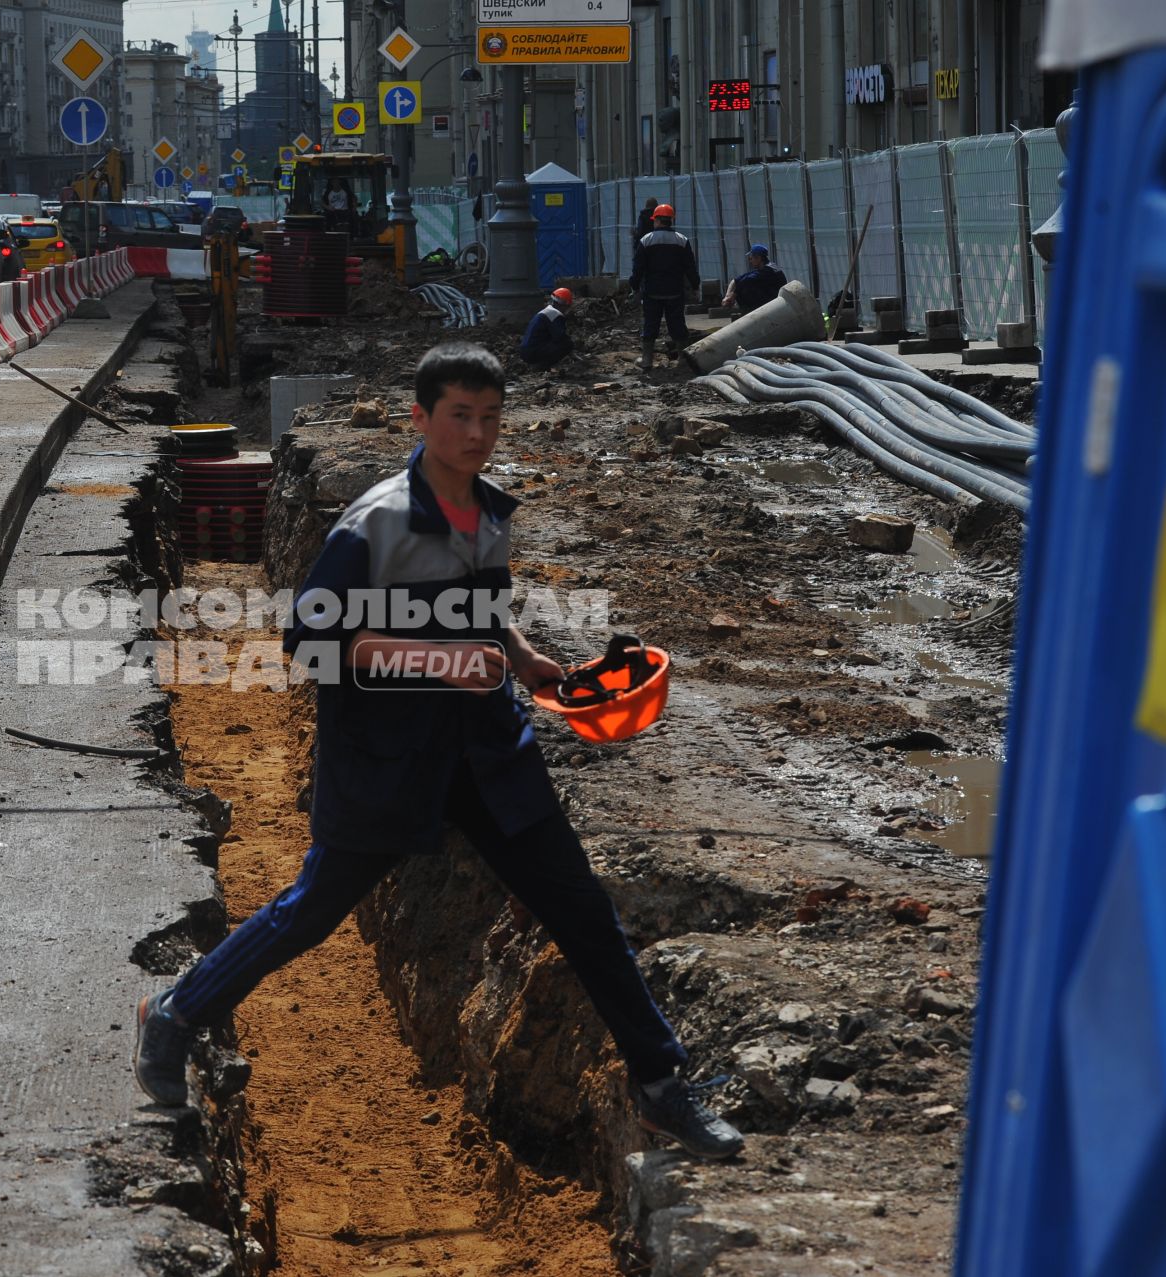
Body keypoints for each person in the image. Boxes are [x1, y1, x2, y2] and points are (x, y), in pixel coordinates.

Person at [132, 343, 746, 1163]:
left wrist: (522, 658)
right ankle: (177, 1010)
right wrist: (435, 658)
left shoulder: (488, 510)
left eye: (490, 416)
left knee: (582, 911)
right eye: (459, 415)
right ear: (419, 419)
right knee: (315, 910)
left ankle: (663, 1085)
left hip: (488, 749)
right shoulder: (372, 525)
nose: (477, 432)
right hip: (390, 754)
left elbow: (480, 608)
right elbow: (309, 641)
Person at [629, 203, 700, 371]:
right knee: (677, 324)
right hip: (675, 291)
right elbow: (690, 266)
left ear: (657, 221)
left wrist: (635, 286)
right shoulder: (681, 240)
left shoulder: (646, 240)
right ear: (670, 220)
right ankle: (683, 359)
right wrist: (695, 285)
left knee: (650, 324)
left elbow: (638, 268)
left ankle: (647, 360)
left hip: (652, 291)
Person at [518, 286, 578, 371]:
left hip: (525, 351)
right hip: (533, 352)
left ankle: (538, 364)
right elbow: (561, 337)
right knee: (567, 344)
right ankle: (542, 366)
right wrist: (571, 351)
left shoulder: (546, 312)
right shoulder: (555, 314)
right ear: (565, 304)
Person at [723, 244, 787, 313]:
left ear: (758, 258)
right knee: (743, 285)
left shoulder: (767, 271)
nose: (750, 261)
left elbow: (746, 281)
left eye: (751, 258)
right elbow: (735, 280)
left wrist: (733, 295)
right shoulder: (765, 267)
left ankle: (748, 313)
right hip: (773, 300)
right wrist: (727, 296)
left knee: (746, 289)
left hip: (777, 305)